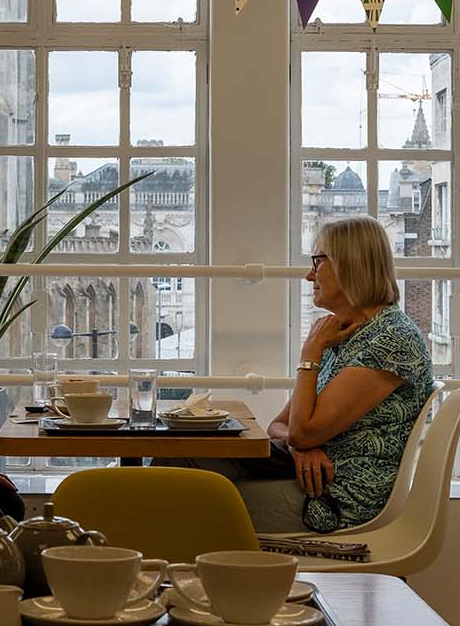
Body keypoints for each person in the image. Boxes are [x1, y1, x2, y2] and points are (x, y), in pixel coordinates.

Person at [166, 216, 434, 533]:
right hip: (306, 480)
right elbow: (280, 426)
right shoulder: (345, 335)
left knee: (182, 497)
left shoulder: (390, 340)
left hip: (338, 500)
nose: (309, 275)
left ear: (350, 264)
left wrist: (310, 353)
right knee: (178, 463)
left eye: (317, 262)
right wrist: (301, 448)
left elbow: (301, 431)